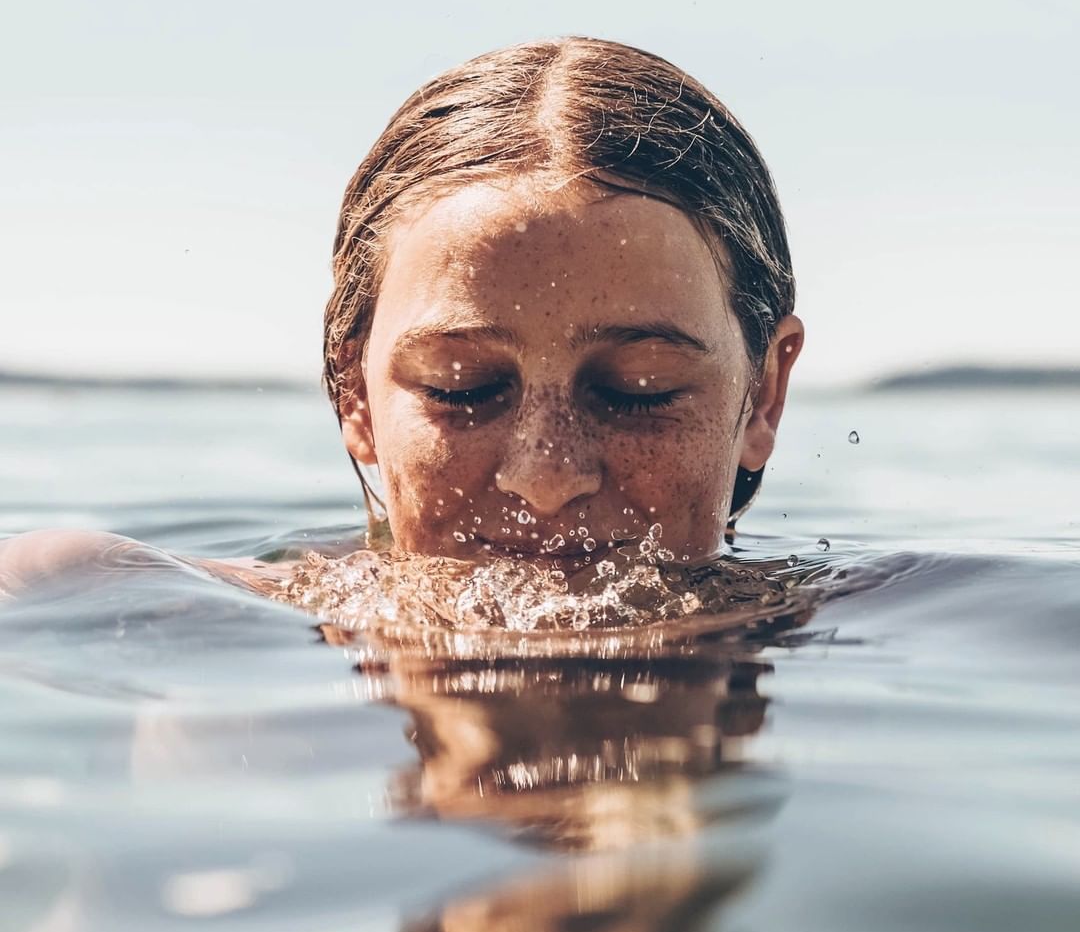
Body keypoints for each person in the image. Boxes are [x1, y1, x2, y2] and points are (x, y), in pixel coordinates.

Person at [0, 36, 802, 599]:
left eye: (638, 389)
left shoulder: (882, 625)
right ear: (355, 397)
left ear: (762, 395)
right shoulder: (140, 607)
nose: (546, 475)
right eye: (463, 386)